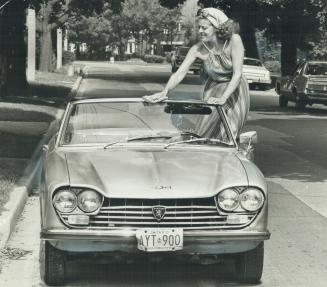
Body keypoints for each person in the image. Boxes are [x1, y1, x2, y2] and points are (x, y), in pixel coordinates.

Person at [143, 7, 250, 140]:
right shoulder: (197, 48)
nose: (200, 31)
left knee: (229, 130)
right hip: (214, 89)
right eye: (199, 27)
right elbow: (179, 73)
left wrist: (223, 98)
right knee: (206, 129)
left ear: (217, 27)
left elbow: (237, 74)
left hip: (235, 90)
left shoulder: (234, 40)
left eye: (204, 28)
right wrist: (165, 91)